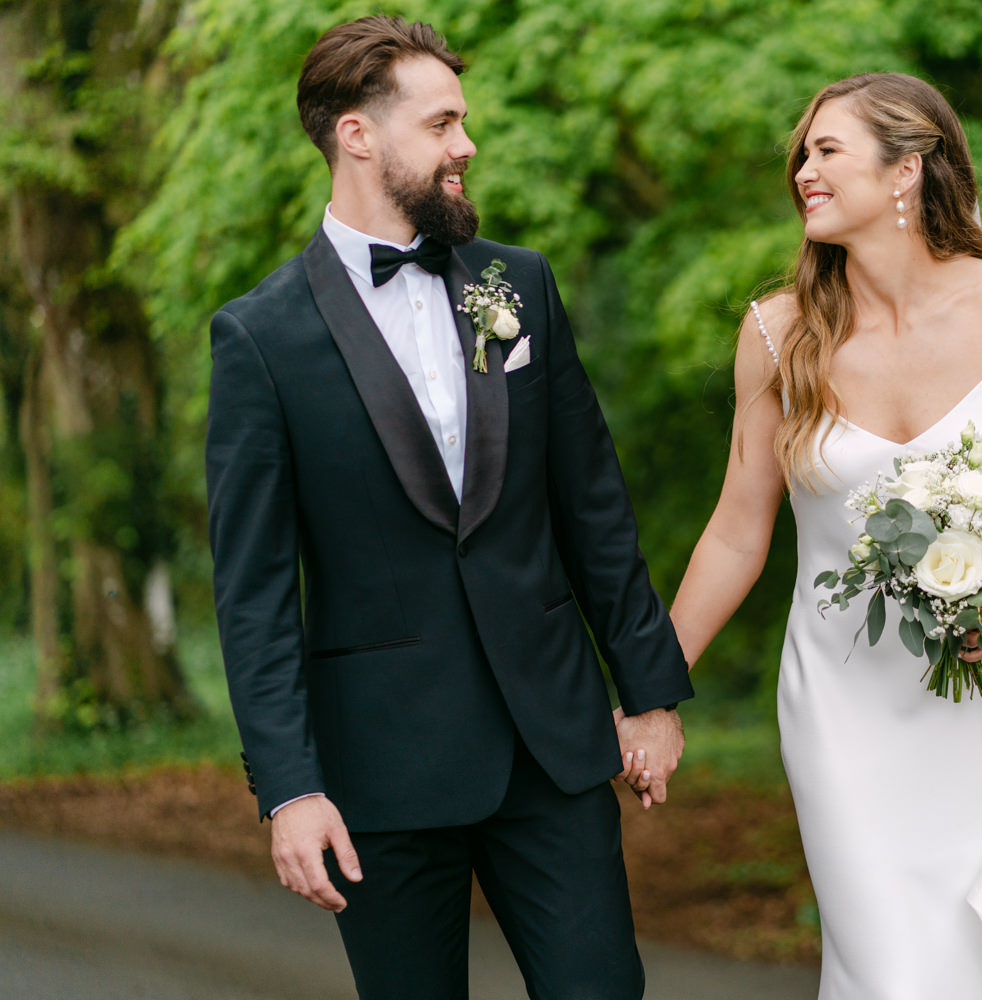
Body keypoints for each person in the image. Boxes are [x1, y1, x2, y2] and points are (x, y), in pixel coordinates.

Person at [204, 16, 692, 1000]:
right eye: (442, 124)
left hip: (550, 748)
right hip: (381, 770)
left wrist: (649, 690)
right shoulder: (259, 338)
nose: (466, 145)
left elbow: (591, 501)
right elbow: (252, 592)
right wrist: (291, 788)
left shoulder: (514, 286)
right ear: (358, 136)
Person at [664, 74, 982, 998]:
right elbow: (736, 532)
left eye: (827, 151)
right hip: (841, 705)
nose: (803, 171)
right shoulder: (778, 335)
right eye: (801, 156)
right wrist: (654, 688)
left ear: (908, 168)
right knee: (894, 970)